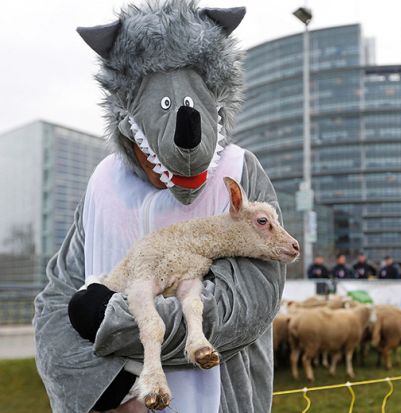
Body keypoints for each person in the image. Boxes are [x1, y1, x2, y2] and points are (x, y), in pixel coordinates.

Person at [33, 4, 282, 413]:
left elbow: (248, 302)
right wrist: (106, 392)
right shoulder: (102, 183)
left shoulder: (241, 172)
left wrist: (111, 321)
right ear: (129, 122)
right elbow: (56, 301)